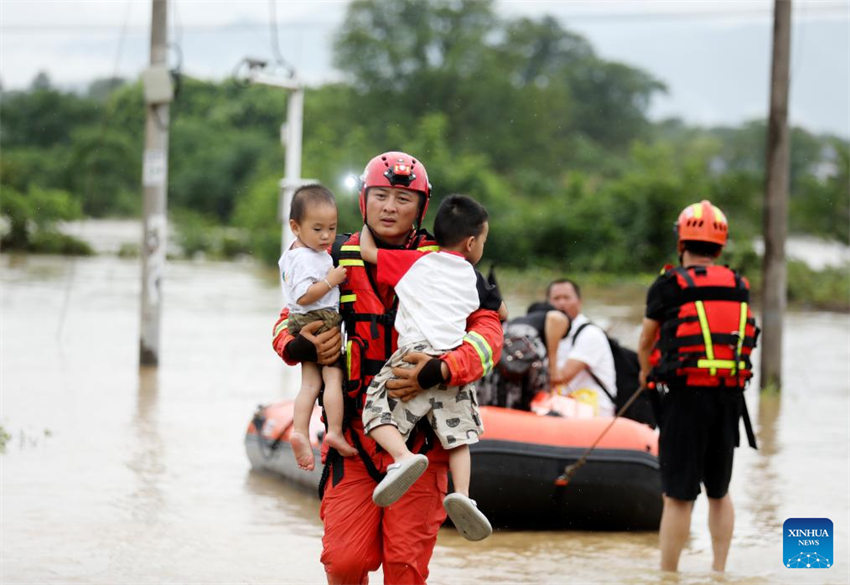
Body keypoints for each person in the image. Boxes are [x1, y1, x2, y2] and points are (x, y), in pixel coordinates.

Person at [271, 151, 504, 585]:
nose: (390, 207)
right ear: (364, 200)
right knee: (344, 562)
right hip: (355, 440)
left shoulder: (447, 262)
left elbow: (489, 333)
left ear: (421, 207)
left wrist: (441, 370)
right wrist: (296, 343)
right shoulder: (329, 255)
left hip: (424, 442)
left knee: (405, 570)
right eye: (380, 196)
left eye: (403, 198)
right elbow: (287, 317)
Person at [358, 194, 496, 541]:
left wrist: (364, 224)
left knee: (374, 410)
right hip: (450, 357)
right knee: (460, 438)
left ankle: (402, 457)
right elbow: (500, 314)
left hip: (412, 353)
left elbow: (368, 254)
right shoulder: (475, 279)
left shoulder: (413, 263)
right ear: (471, 242)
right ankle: (462, 494)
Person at [636, 200, 759, 573]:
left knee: (677, 497)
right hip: (728, 398)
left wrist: (645, 374)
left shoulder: (667, 285)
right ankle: (719, 572)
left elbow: (645, 342)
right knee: (719, 493)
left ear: (681, 242)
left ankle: (668, 575)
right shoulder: (739, 285)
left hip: (684, 399)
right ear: (720, 247)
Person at [279, 184, 358, 470]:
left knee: (310, 384)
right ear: (295, 227)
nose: (326, 237)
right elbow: (303, 295)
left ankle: (300, 430)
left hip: (303, 321)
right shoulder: (304, 257)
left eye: (332, 228)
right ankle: (334, 432)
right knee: (333, 379)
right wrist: (331, 280)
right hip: (320, 318)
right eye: (318, 229)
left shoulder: (295, 252)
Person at [477, 302, 570, 411]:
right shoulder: (555, 317)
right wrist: (553, 371)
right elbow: (556, 317)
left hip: (496, 352)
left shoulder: (516, 321)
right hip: (521, 352)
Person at [547, 279, 617, 416]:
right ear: (548, 303)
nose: (561, 303)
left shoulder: (590, 334)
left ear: (579, 301)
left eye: (566, 298)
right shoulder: (547, 331)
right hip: (565, 404)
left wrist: (552, 337)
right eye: (556, 298)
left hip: (594, 409)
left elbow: (559, 378)